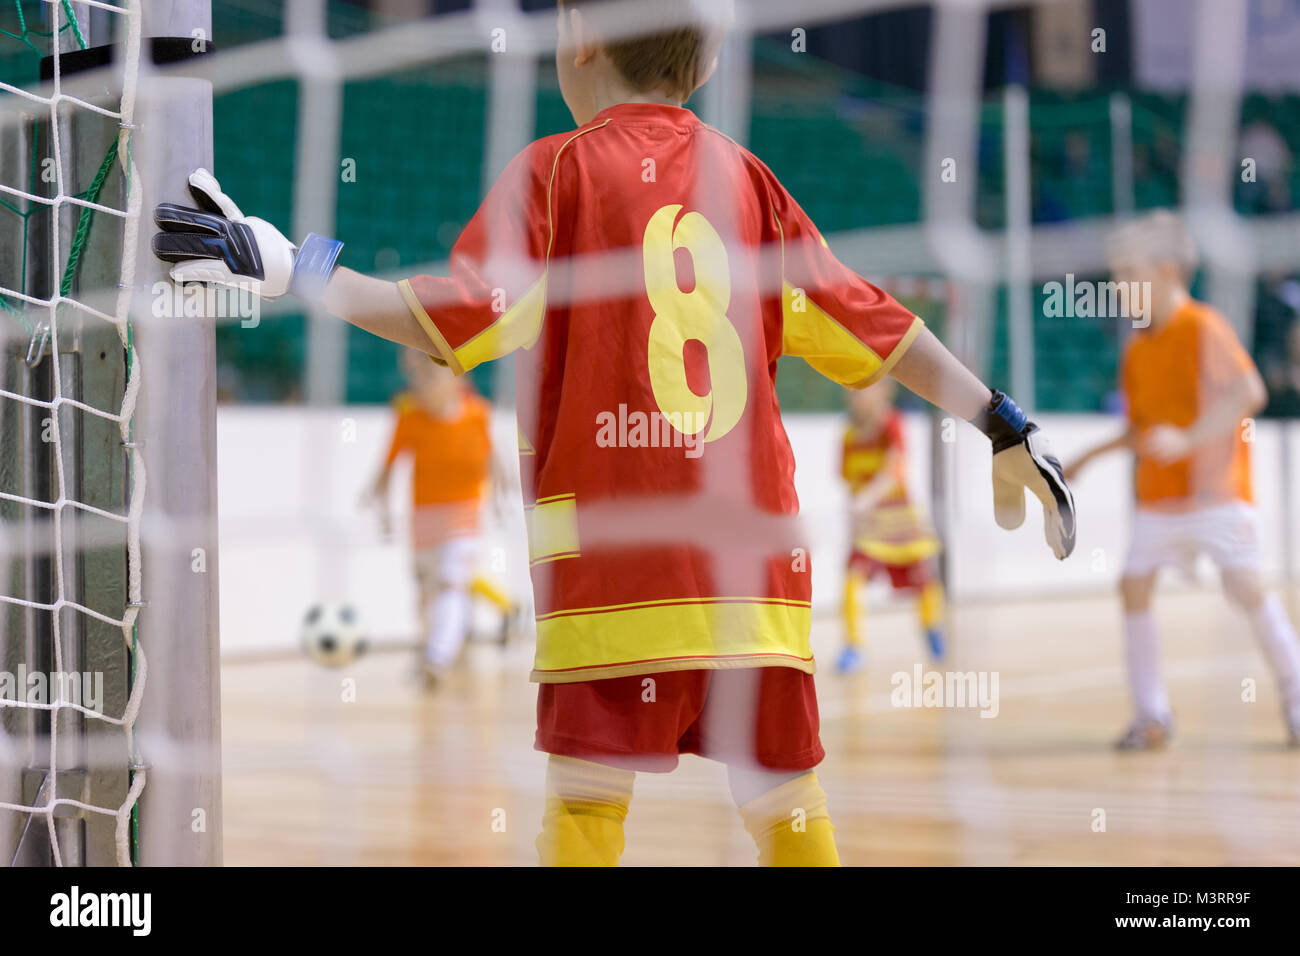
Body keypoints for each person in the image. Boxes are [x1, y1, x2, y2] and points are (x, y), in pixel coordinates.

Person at [151, 0, 1075, 866]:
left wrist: (290, 266)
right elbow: (879, 324)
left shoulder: (556, 172)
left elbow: (443, 322)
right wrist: (1001, 420)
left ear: (579, 33)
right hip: (753, 578)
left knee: (587, 808)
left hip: (610, 577)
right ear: (708, 61)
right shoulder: (750, 183)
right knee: (787, 803)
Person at [1067, 210, 1300, 750]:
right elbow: (1142, 430)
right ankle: (1152, 716)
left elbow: (1250, 393)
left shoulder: (1204, 327)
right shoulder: (1138, 350)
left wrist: (1190, 439)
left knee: (1246, 589)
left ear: (1168, 272)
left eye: (1129, 274)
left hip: (1217, 494)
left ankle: (1294, 698)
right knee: (1132, 585)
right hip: (1160, 500)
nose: (1120, 288)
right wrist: (1089, 456)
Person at [365, 349, 517, 684]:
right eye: (414, 377)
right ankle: (432, 646)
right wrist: (379, 504)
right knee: (426, 595)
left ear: (457, 380)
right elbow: (389, 465)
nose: (419, 384)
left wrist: (503, 495)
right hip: (423, 521)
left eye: (428, 376)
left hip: (464, 516)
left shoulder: (479, 413)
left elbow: (493, 456)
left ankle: (438, 658)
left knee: (453, 584)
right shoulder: (409, 417)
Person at [837, 379, 945, 674]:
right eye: (852, 392)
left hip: (899, 518)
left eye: (864, 390)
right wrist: (852, 526)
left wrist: (867, 499)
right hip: (869, 525)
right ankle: (853, 646)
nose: (857, 397)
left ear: (883, 391)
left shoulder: (891, 425)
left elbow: (895, 470)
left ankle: (931, 627)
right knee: (852, 577)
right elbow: (849, 485)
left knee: (924, 578)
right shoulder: (848, 437)